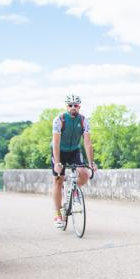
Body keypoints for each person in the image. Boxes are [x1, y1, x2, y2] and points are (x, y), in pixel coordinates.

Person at [51, 94, 97, 228]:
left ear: (79, 106)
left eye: (75, 105)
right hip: (59, 150)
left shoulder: (83, 120)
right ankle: (58, 214)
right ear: (66, 106)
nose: (73, 108)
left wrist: (91, 162)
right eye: (70, 105)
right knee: (58, 180)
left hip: (74, 151)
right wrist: (58, 163)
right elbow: (56, 143)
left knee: (84, 173)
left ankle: (75, 190)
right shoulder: (59, 120)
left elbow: (87, 143)